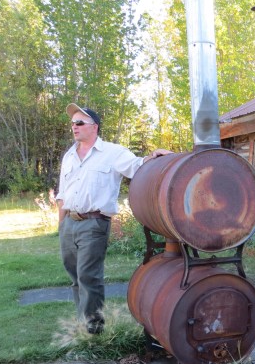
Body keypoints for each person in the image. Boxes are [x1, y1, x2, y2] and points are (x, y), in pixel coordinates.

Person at [56, 103, 172, 334]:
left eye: (80, 123)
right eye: (72, 123)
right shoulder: (69, 155)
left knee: (88, 276)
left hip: (93, 223)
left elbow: (137, 166)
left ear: (94, 127)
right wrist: (61, 224)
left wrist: (154, 156)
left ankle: (93, 330)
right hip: (68, 223)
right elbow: (62, 193)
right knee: (75, 277)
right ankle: (82, 321)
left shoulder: (112, 153)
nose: (74, 127)